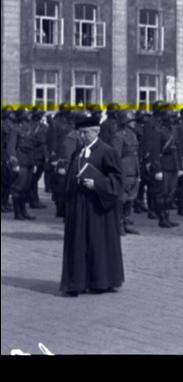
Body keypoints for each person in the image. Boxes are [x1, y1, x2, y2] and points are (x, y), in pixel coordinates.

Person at [60, 115, 125, 297]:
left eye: (85, 132)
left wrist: (97, 185)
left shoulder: (107, 151)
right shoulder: (77, 152)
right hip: (79, 207)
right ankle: (77, 282)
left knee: (98, 243)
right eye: (80, 133)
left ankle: (101, 281)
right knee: (80, 243)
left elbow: (117, 180)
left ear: (96, 131)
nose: (82, 136)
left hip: (97, 208)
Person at [111, 111, 141, 235]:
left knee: (130, 199)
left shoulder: (133, 135)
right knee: (121, 199)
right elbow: (115, 156)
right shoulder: (118, 136)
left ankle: (126, 221)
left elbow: (136, 154)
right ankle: (119, 225)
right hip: (123, 170)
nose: (134, 123)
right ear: (125, 122)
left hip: (133, 169)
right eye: (131, 121)